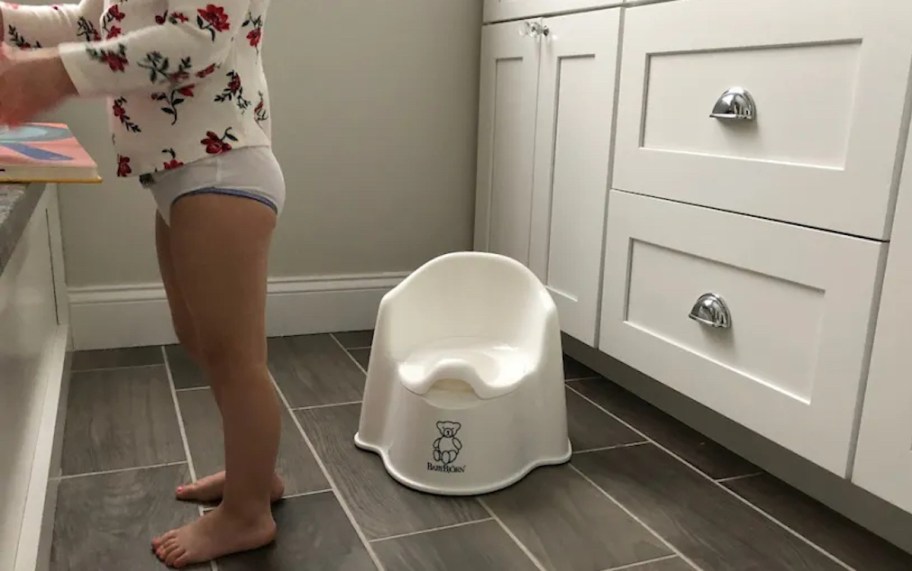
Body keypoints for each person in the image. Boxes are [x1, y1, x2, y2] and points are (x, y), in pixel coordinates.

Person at [0, 0, 285, 567]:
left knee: (235, 358)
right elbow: (92, 22)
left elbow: (197, 38)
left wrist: (56, 71)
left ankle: (248, 511)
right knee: (201, 341)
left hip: (221, 169)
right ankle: (255, 471)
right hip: (183, 174)